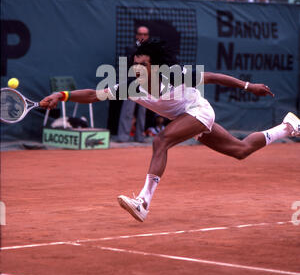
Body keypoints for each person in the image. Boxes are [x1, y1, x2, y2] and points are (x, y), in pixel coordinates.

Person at [40, 39, 300, 223]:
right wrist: (61, 95)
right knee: (240, 150)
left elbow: (212, 77)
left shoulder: (175, 75)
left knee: (160, 141)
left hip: (199, 111)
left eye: (142, 64)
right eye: (135, 64)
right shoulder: (131, 85)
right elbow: (93, 95)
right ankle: (287, 127)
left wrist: (248, 85)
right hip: (184, 118)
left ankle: (142, 202)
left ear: (155, 66)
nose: (136, 68)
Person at [116, 27, 150, 143]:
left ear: (148, 36)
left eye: (145, 34)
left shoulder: (152, 50)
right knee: (128, 111)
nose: (142, 36)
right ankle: (123, 136)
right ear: (136, 35)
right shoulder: (130, 49)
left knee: (143, 111)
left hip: (147, 84)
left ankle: (140, 136)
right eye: (140, 34)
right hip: (132, 83)